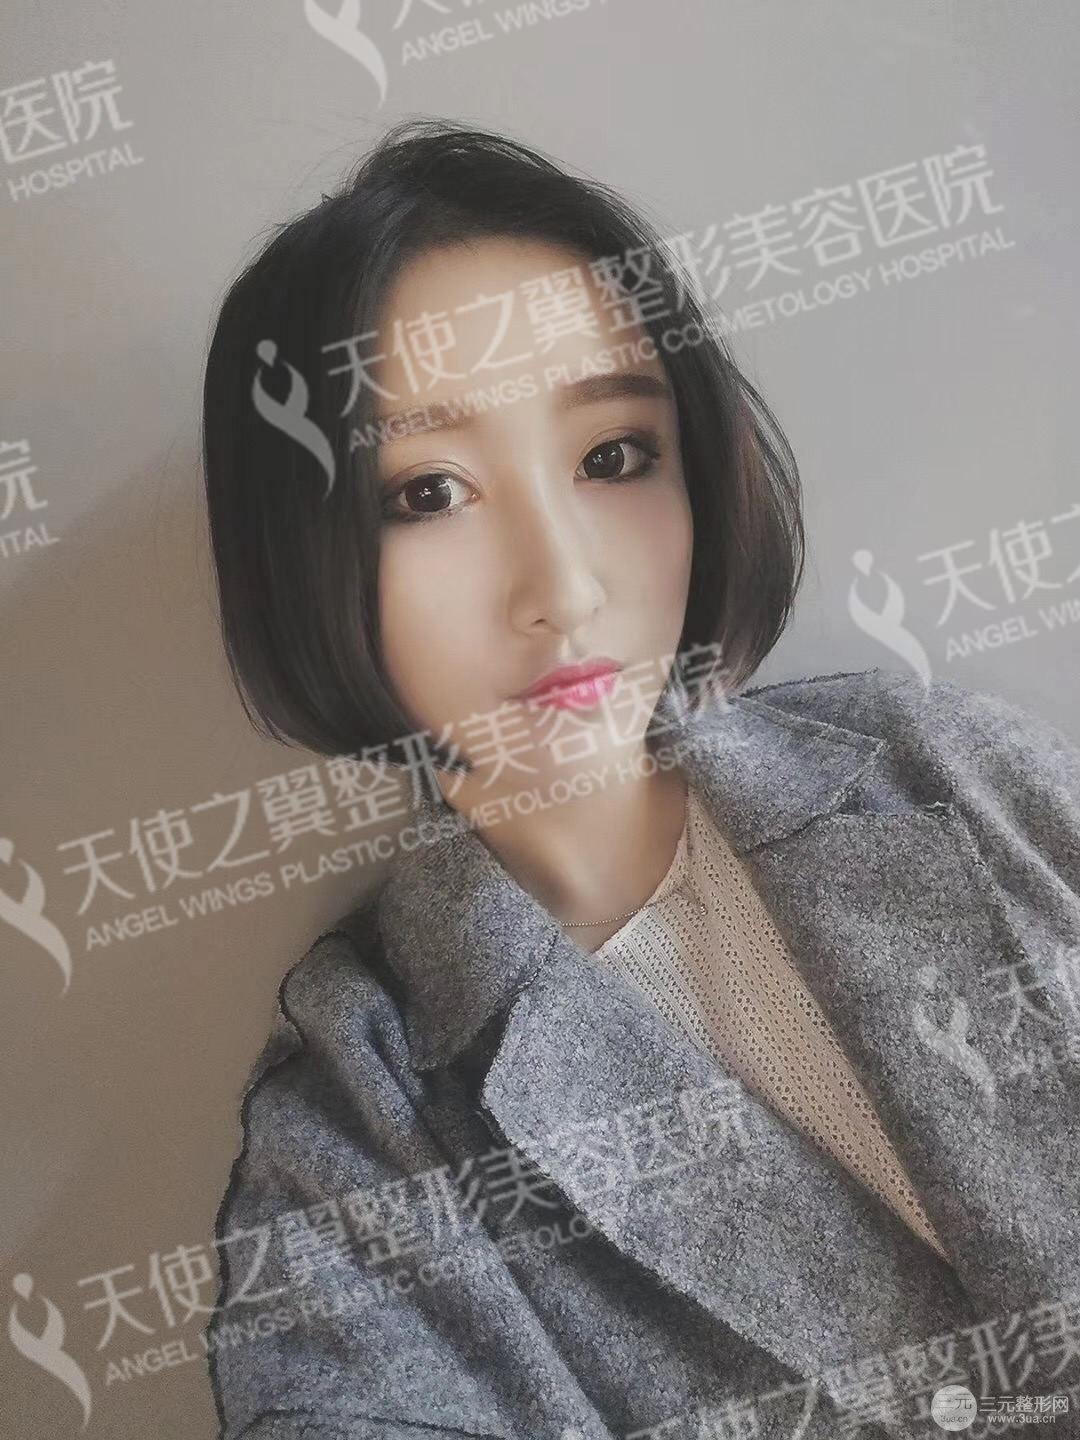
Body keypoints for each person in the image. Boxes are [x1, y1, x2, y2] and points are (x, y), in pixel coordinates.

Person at [200, 119, 1080, 1440]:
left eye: (613, 457)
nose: (564, 588)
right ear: (304, 556)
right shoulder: (360, 1131)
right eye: (427, 493)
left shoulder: (943, 774)